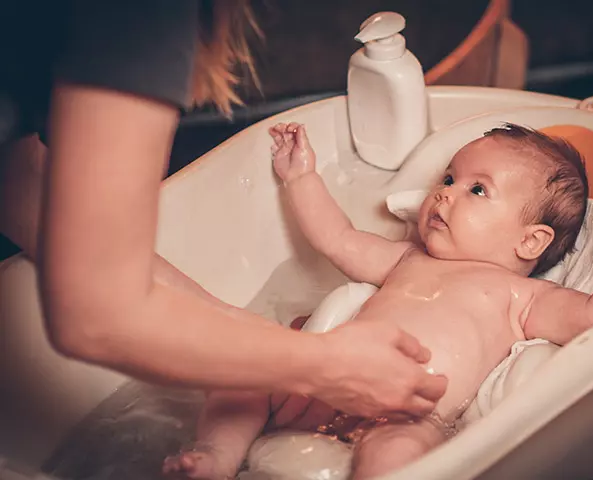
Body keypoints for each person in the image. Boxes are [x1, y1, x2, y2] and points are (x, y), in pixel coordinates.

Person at [163, 122, 593, 479]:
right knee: (246, 377)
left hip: (408, 414)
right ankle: (214, 457)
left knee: (400, 458)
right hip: (324, 383)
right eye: (449, 178)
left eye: (477, 191)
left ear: (530, 241)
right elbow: (337, 238)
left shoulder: (522, 296)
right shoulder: (405, 259)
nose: (445, 193)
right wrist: (301, 176)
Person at [0, 1, 447, 418]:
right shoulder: (138, 14)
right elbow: (97, 317)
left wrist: (239, 329)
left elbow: (17, 178)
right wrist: (324, 364)